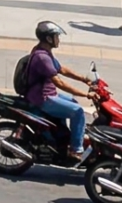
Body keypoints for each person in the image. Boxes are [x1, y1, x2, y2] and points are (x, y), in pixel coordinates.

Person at [20, 21, 97, 161]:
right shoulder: (42, 57)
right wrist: (86, 94)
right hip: (43, 98)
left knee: (73, 102)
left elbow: (61, 69)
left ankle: (62, 138)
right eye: (56, 37)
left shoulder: (44, 51)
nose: (58, 40)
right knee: (78, 111)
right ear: (49, 39)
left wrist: (84, 79)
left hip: (48, 93)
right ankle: (76, 150)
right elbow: (59, 82)